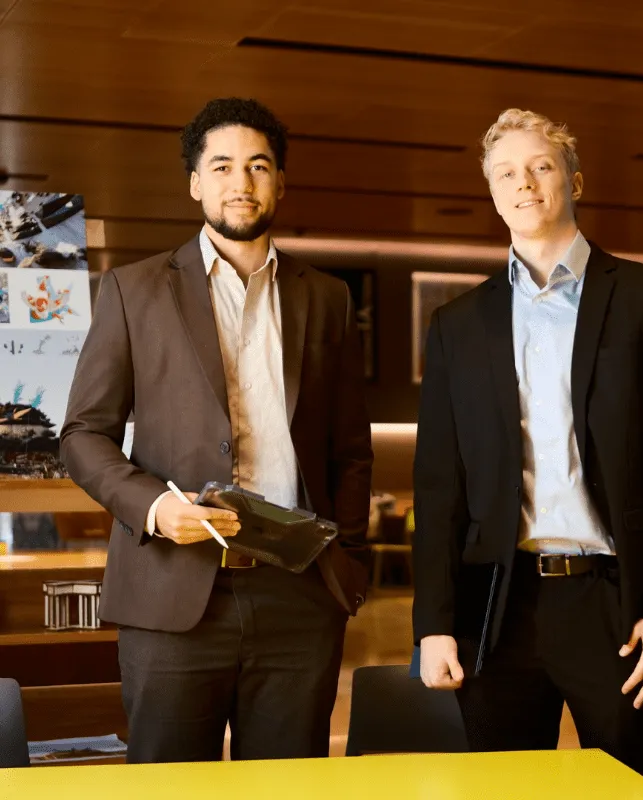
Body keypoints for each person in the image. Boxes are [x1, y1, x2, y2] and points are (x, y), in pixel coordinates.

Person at [61, 97, 373, 763]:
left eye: (259, 166)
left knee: (288, 787)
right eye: (223, 165)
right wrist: (151, 506)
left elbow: (350, 448)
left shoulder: (328, 298)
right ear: (196, 182)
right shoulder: (132, 290)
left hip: (298, 594)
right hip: (173, 593)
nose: (242, 182)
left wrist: (348, 560)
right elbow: (83, 434)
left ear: (280, 183)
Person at [411, 108, 643, 789]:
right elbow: (438, 490)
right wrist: (434, 624)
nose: (524, 183)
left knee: (629, 785)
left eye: (541, 166)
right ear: (491, 193)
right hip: (497, 607)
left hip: (615, 602)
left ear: (574, 179)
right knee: (505, 790)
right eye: (506, 173)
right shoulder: (458, 325)